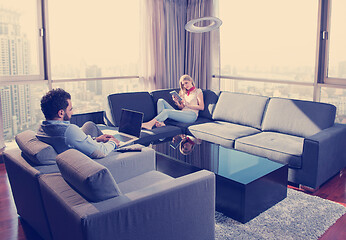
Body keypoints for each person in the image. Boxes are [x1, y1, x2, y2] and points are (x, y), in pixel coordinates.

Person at [36, 88, 120, 158]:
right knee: (117, 143)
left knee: (89, 125)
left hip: (75, 148)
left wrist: (96, 140)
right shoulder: (69, 131)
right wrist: (113, 142)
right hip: (95, 161)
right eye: (70, 109)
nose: (72, 113)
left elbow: (73, 143)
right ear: (61, 113)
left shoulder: (41, 128)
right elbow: (101, 151)